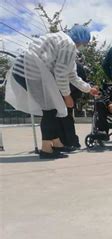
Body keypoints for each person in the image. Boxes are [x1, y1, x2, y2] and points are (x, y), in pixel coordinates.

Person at [5, 25, 99, 159]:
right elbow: (61, 75)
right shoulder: (68, 45)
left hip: (25, 69)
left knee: (52, 108)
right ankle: (46, 149)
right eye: (84, 44)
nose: (83, 46)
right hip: (30, 72)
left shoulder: (63, 41)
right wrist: (67, 96)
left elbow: (72, 75)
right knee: (50, 109)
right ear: (81, 41)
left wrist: (89, 89)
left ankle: (56, 143)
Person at [58, 61, 88, 150]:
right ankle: (69, 141)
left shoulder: (70, 65)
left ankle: (69, 141)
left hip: (67, 93)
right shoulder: (77, 65)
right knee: (65, 117)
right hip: (71, 92)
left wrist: (67, 95)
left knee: (64, 117)